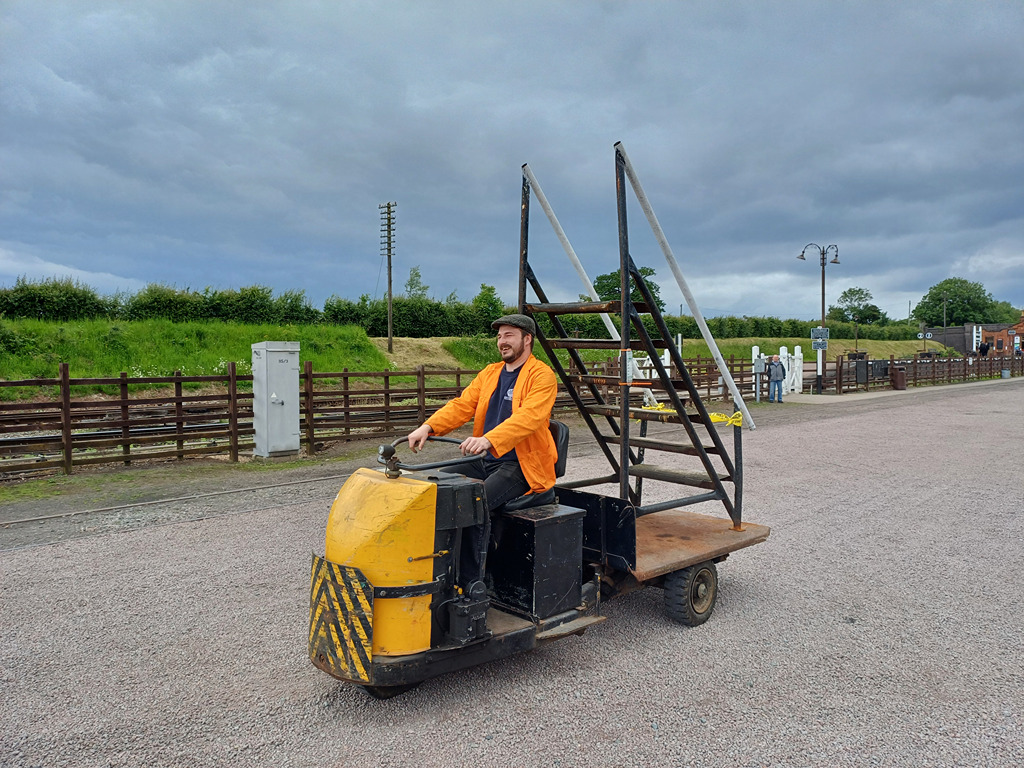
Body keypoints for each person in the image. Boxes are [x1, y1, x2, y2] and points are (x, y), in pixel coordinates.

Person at [406, 313, 558, 585]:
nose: (502, 341)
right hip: (487, 459)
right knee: (436, 486)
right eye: (499, 336)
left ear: (527, 339)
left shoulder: (541, 375)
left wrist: (489, 439)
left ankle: (473, 581)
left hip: (521, 464)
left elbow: (530, 417)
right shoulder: (490, 373)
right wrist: (428, 427)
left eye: (509, 335)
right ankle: (435, 565)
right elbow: (462, 405)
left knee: (472, 503)